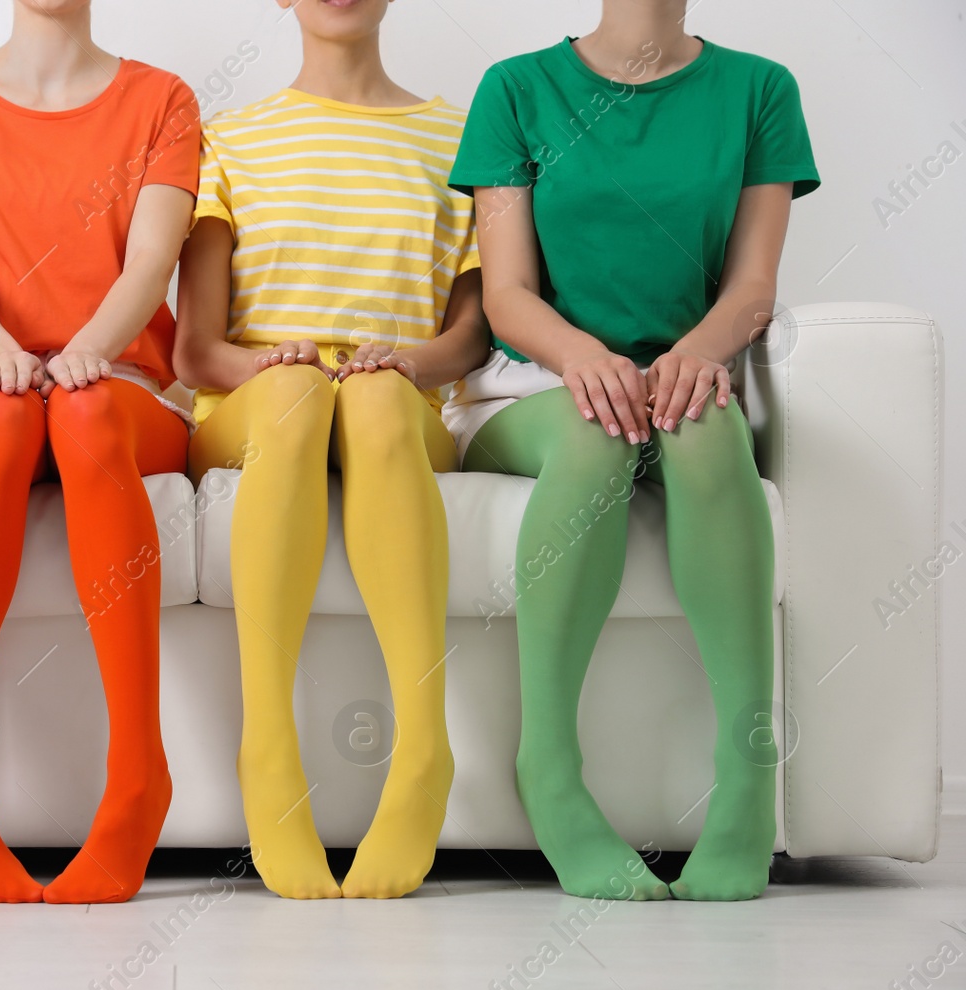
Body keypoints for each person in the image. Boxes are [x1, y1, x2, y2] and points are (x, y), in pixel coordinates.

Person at [448, 0, 819, 900]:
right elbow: (506, 297)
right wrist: (583, 358)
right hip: (536, 388)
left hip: (686, 377)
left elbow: (753, 284)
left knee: (705, 429)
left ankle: (746, 782)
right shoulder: (515, 89)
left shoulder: (759, 90)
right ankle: (552, 772)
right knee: (594, 431)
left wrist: (694, 353)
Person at [173, 0, 489, 899]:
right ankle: (267, 748)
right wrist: (269, 363)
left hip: (397, 409)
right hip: (259, 406)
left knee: (379, 395)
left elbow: (472, 335)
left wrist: (408, 358)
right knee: (298, 392)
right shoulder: (229, 140)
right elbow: (194, 349)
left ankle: (423, 753)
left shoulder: (457, 138)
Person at [0, 0, 199, 904]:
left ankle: (136, 779)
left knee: (79, 412)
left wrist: (89, 351)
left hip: (119, 394)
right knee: (2, 418)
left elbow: (151, 263)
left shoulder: (163, 99)